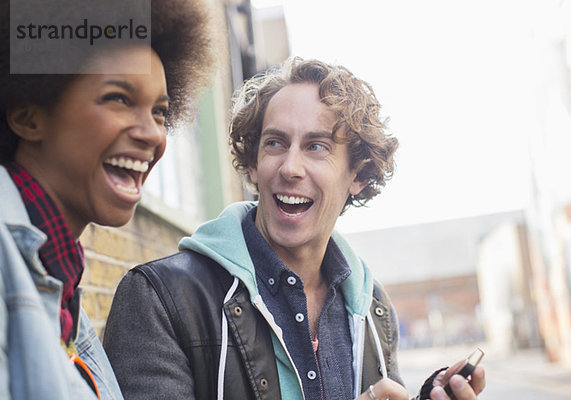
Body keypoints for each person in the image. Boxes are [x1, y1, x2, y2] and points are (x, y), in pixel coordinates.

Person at [103, 57, 485, 400]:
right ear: (253, 164)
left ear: (358, 175)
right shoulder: (159, 300)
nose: (290, 168)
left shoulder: (372, 308)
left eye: (316, 146)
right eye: (275, 143)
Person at [0, 0, 214, 398]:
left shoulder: (61, 282)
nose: (152, 134)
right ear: (27, 115)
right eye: (119, 98)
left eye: (160, 112)